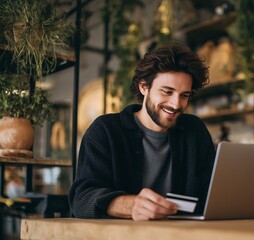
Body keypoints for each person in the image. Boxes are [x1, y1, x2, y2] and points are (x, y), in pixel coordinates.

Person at [69, 43, 216, 221]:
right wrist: (130, 205)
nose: (176, 104)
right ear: (144, 87)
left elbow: (212, 193)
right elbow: (81, 198)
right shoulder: (105, 130)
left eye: (184, 95)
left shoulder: (195, 131)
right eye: (167, 92)